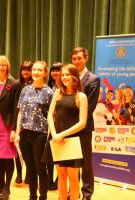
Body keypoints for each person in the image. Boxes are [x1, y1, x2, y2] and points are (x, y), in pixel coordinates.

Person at [47, 64, 88, 200]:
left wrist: (61, 135)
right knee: (61, 176)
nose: (64, 77)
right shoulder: (58, 93)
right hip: (57, 139)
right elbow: (50, 115)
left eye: (67, 74)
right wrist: (54, 134)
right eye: (63, 74)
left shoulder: (81, 96)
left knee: (73, 178)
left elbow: (82, 123)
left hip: (72, 141)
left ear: (74, 77)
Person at [15, 60, 53, 200]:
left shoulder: (49, 92)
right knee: (30, 168)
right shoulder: (25, 89)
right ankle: (32, 196)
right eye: (34, 69)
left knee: (40, 169)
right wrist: (18, 132)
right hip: (25, 133)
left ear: (45, 73)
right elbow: (20, 112)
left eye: (39, 70)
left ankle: (43, 196)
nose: (36, 72)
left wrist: (49, 135)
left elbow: (51, 115)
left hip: (40, 134)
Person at [0, 55, 20, 200]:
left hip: (7, 124)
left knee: (8, 156)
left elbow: (16, 108)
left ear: (8, 67)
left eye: (3, 65)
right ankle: (0, 186)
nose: (1, 67)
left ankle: (7, 188)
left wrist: (14, 129)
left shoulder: (14, 83)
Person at [71, 47, 100, 200]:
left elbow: (90, 107)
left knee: (86, 162)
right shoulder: (68, 77)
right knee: (71, 162)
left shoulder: (93, 79)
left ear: (86, 58)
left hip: (83, 128)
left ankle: (87, 194)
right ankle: (73, 191)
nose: (77, 62)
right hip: (67, 128)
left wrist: (75, 122)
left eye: (79, 58)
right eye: (74, 59)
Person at [15, 60, 33, 184]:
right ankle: (19, 173)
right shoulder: (16, 84)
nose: (26, 72)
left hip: (30, 123)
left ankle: (29, 173)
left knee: (28, 151)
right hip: (17, 121)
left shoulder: (35, 85)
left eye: (28, 69)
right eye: (24, 69)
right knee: (17, 150)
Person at [46, 62, 63, 190]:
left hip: (62, 124)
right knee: (49, 154)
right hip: (48, 124)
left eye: (58, 70)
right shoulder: (48, 86)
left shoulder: (65, 87)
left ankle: (59, 179)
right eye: (53, 70)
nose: (55, 73)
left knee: (61, 154)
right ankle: (49, 179)